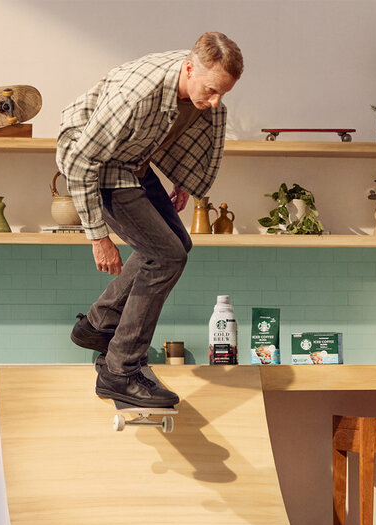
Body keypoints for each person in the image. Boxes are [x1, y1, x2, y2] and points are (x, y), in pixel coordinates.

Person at [56, 32, 243, 407]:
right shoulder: (137, 94)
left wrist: (184, 182)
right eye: (211, 90)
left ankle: (100, 324)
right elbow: (79, 161)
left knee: (178, 246)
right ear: (189, 68)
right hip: (98, 163)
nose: (216, 102)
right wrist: (98, 236)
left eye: (224, 93)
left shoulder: (197, 86)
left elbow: (179, 132)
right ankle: (120, 370)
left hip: (132, 161)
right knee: (166, 256)